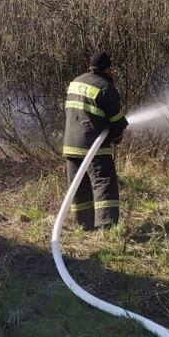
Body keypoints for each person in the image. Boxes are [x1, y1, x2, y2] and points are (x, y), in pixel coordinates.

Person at [62, 50, 128, 230]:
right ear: (107, 68)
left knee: (78, 185)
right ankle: (106, 225)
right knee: (103, 182)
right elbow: (116, 120)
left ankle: (82, 224)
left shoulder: (75, 82)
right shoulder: (105, 87)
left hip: (71, 144)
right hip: (94, 145)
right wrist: (117, 135)